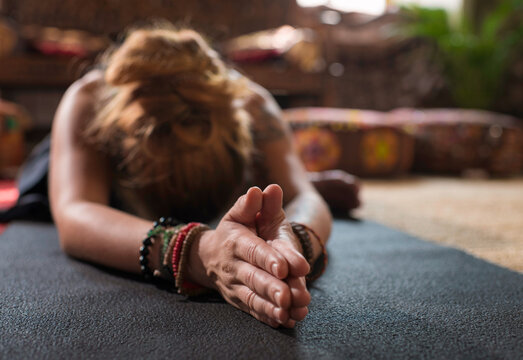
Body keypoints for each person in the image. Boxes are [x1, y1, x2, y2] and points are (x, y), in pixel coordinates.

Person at [49, 23, 358, 328]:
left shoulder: (252, 104)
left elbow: (304, 197)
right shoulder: (89, 99)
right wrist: (197, 253)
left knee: (307, 188)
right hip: (98, 178)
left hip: (233, 181)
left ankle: (272, 180)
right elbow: (76, 210)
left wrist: (291, 247)